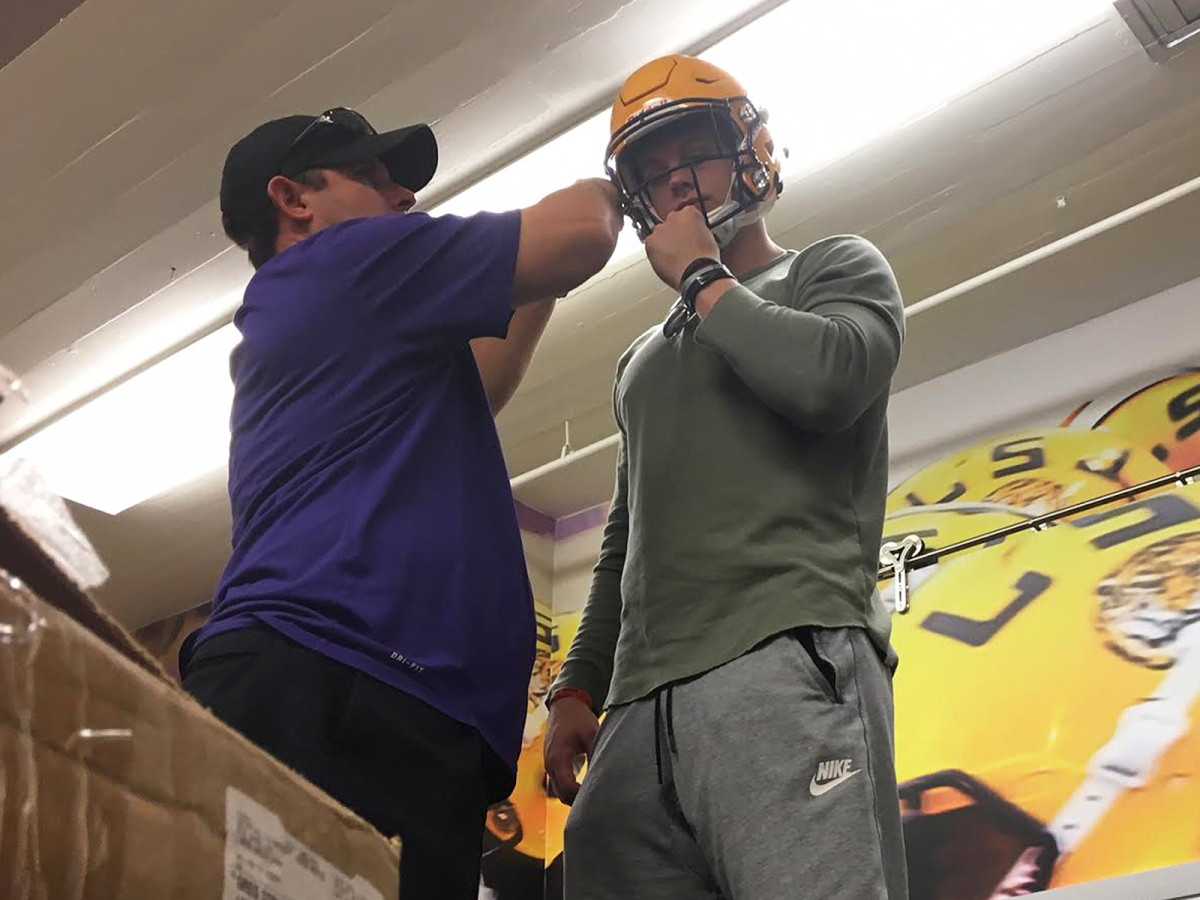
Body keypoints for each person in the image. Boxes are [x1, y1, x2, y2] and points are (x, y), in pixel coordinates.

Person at [180, 107, 622, 900]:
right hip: (331, 684)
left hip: (394, 710)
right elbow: (584, 232)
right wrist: (616, 178)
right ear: (294, 199)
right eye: (375, 176)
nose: (406, 196)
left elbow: (490, 375)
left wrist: (527, 275)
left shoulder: (355, 318)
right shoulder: (347, 263)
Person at [543, 55, 909, 900]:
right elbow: (626, 539)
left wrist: (705, 277)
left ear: (753, 150)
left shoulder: (833, 267)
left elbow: (832, 380)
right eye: (651, 170)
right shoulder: (640, 360)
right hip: (638, 707)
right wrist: (577, 683)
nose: (676, 183)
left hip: (783, 652)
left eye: (695, 153)